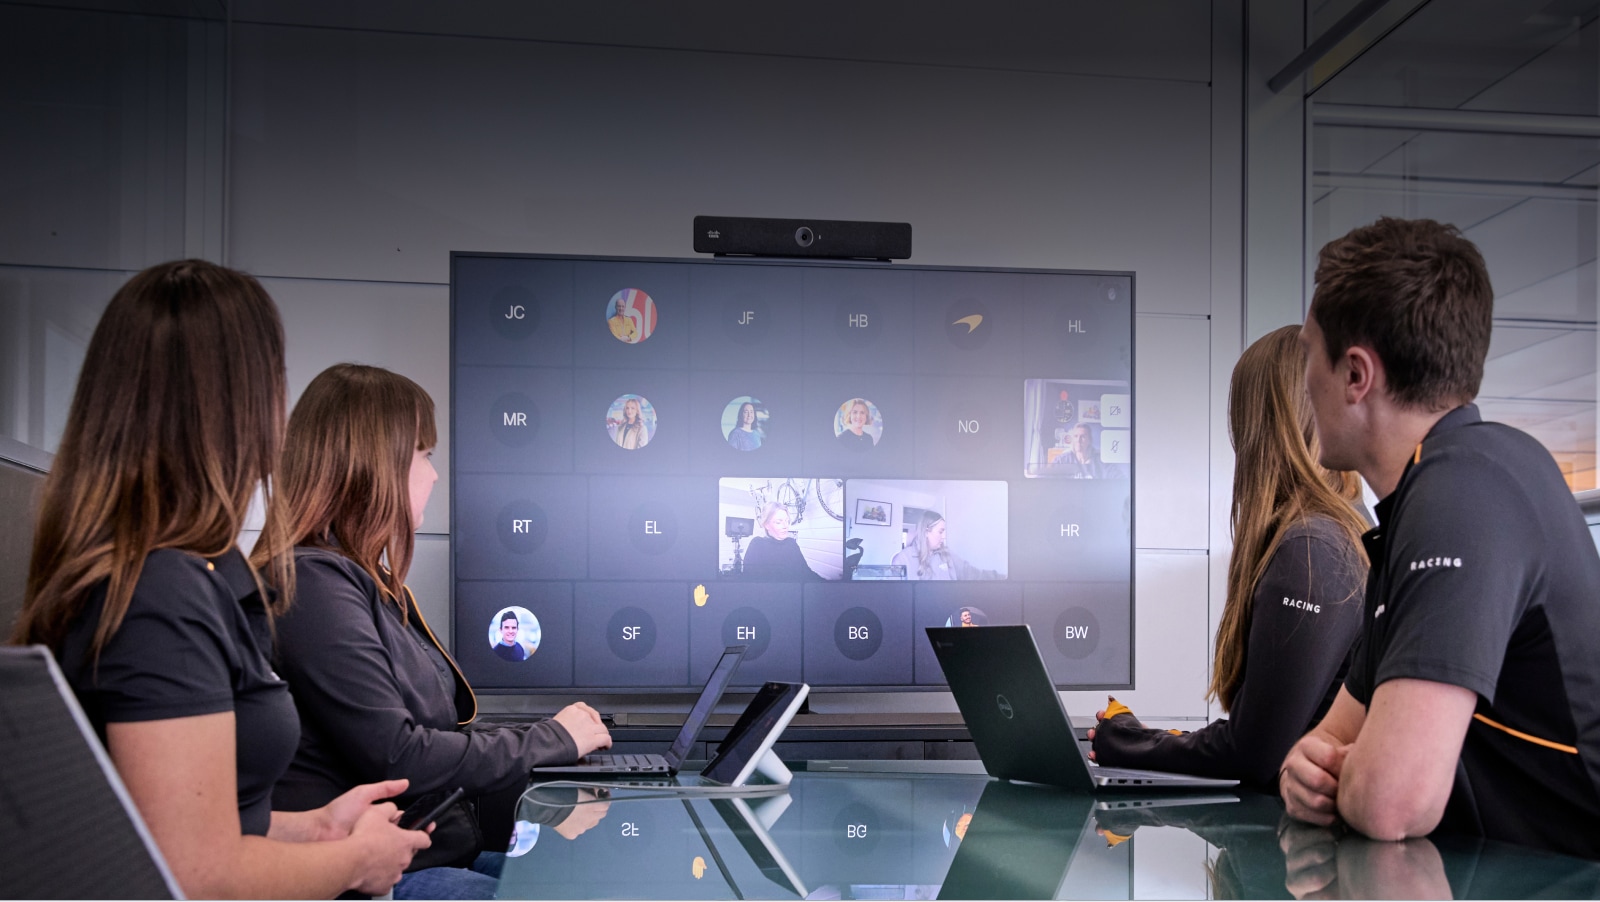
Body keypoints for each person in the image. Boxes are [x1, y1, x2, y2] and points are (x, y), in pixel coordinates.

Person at [10, 260, 429, 898]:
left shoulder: (170, 575)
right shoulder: (160, 599)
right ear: (241, 406)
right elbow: (195, 875)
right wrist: (356, 861)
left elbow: (189, 825)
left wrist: (316, 827)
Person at [1278, 217, 1600, 858]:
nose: (1305, 380)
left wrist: (1359, 772)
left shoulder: (1464, 491)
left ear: (1356, 374)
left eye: (1309, 353)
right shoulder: (1429, 494)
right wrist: (1307, 771)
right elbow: (1329, 742)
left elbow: (1391, 802)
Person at [256, 363, 614, 898]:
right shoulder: (313, 583)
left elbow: (437, 733)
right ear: (377, 466)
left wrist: (549, 736)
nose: (434, 475)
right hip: (381, 876)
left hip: (429, 856)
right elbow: (400, 755)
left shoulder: (359, 579)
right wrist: (553, 739)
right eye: (424, 455)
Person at [1087, 326, 1369, 791]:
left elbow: (1255, 753)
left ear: (1256, 425)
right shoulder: (1340, 534)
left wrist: (1130, 742)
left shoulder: (1311, 550)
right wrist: (1148, 740)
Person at [890, 512, 1002, 580]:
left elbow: (971, 573)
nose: (944, 537)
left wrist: (1001, 577)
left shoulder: (947, 555)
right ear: (926, 532)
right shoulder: (902, 559)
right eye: (940, 531)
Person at [740, 503, 824, 580]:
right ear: (767, 525)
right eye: (778, 522)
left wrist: (827, 585)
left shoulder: (791, 544)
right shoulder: (757, 545)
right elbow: (749, 580)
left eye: (787, 521)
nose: (785, 526)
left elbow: (806, 572)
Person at [1049, 423, 1127, 478]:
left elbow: (1119, 478)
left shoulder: (1101, 461)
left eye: (1083, 436)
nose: (1078, 440)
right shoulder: (1061, 460)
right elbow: (1047, 478)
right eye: (1076, 436)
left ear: (1089, 440)